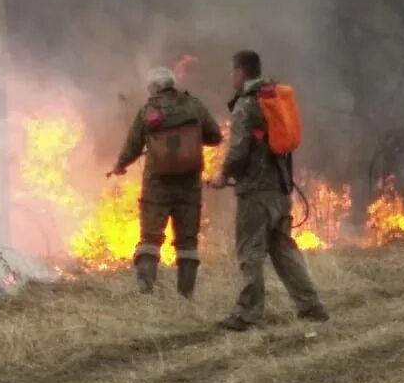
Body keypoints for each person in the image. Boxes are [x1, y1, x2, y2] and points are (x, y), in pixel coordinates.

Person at [208, 49, 329, 330]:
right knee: (284, 250)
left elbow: (238, 149)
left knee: (250, 251)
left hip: (256, 192)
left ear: (239, 71)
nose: (231, 76)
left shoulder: (246, 104)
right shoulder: (272, 97)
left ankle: (247, 314)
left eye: (232, 71)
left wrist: (223, 175)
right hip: (280, 189)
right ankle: (311, 306)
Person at [109, 66, 223, 297]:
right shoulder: (194, 106)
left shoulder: (148, 110)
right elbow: (215, 136)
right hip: (189, 186)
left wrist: (120, 165)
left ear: (155, 88)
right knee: (187, 242)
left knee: (150, 238)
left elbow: (133, 146)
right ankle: (185, 295)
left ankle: (146, 291)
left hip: (156, 186)